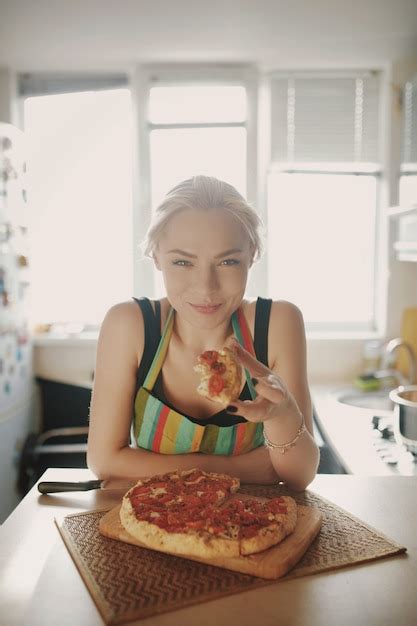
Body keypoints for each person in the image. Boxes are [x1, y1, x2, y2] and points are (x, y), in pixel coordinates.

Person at [87, 176, 320, 491]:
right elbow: (104, 463)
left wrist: (281, 418)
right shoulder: (129, 325)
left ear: (251, 254)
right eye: (183, 261)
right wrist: (248, 468)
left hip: (253, 525)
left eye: (228, 261)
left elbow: (297, 475)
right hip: (155, 524)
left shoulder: (277, 322)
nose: (205, 288)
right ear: (156, 255)